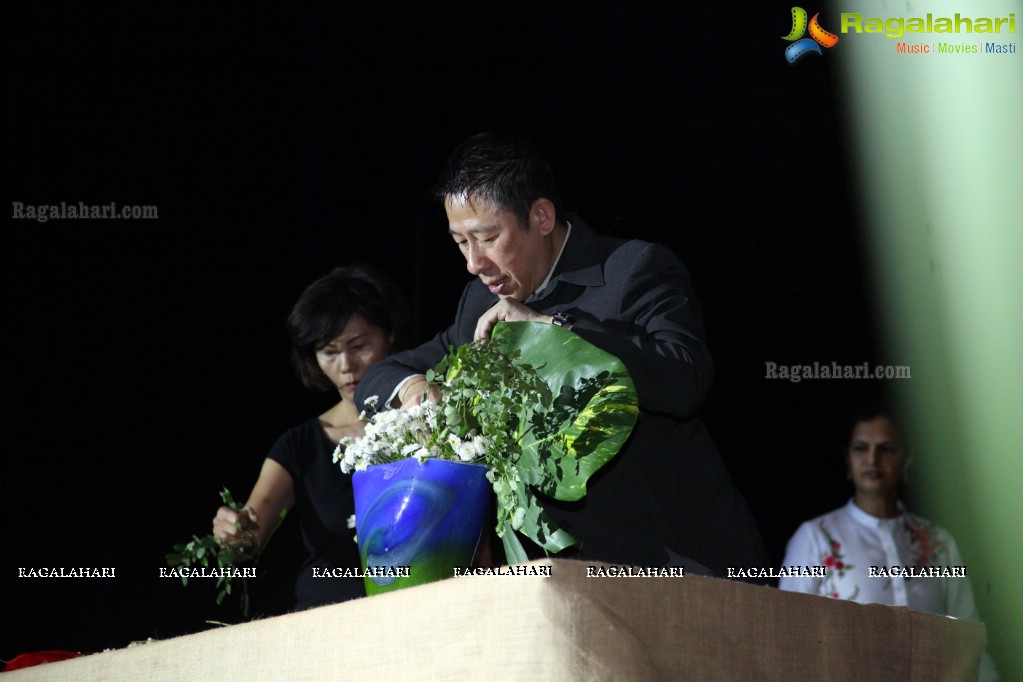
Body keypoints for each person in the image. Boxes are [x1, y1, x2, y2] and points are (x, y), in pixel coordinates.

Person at [354, 132, 769, 575]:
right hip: (558, 576)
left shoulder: (632, 269)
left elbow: (686, 380)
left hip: (680, 557)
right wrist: (418, 391)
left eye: (488, 237)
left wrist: (552, 329)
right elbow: (382, 375)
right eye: (460, 242)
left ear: (542, 216)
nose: (474, 263)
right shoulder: (478, 304)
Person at [212, 265, 411, 610]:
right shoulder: (299, 446)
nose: (346, 365)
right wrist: (233, 532)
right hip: (325, 618)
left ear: (390, 334)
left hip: (417, 604)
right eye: (329, 352)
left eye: (359, 345)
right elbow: (249, 536)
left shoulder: (425, 421)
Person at [779, 405, 998, 680]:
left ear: (906, 460)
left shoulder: (939, 542)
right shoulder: (816, 537)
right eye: (861, 448)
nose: (872, 459)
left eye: (885, 449)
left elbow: (971, 641)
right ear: (847, 459)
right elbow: (788, 637)